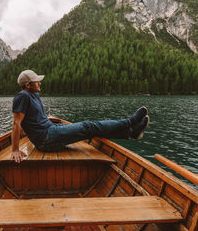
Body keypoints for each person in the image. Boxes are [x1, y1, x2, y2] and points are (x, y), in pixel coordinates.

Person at [11, 70, 149, 163]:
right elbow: (17, 123)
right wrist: (15, 150)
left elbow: (31, 119)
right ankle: (130, 122)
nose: (39, 82)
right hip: (46, 139)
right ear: (28, 85)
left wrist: (40, 123)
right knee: (88, 126)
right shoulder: (22, 96)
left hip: (50, 130)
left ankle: (131, 133)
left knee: (90, 130)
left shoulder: (34, 95)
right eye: (36, 81)